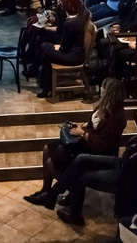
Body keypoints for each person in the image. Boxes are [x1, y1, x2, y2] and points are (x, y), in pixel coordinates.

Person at [25, 104, 137, 225]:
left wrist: (129, 151)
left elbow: (129, 161)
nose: (136, 114)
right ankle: (51, 194)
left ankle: (74, 215)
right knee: (80, 159)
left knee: (78, 174)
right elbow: (128, 154)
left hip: (124, 175)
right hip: (121, 163)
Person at [25, 77, 128, 206]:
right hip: (85, 142)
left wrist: (83, 134)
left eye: (103, 87)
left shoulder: (117, 117)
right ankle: (45, 190)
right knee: (47, 149)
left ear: (109, 93)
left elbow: (102, 144)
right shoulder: (103, 105)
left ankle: (65, 192)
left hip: (95, 151)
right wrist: (80, 127)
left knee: (52, 162)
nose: (101, 89)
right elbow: (93, 124)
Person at [36, 0, 89, 98]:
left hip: (72, 57)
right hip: (78, 53)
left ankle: (46, 86)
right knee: (45, 54)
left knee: (44, 46)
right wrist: (60, 46)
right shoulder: (80, 18)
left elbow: (65, 46)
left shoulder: (69, 23)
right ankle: (46, 86)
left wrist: (59, 46)